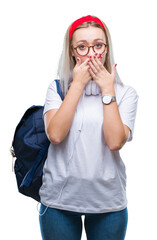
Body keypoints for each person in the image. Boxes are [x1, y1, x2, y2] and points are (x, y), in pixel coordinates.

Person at [39, 15, 138, 240]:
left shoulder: (125, 93)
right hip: (58, 202)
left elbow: (115, 142)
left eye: (98, 45)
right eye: (82, 47)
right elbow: (55, 134)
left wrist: (107, 90)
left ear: (106, 48)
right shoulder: (57, 89)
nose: (91, 54)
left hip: (108, 202)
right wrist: (78, 84)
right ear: (72, 52)